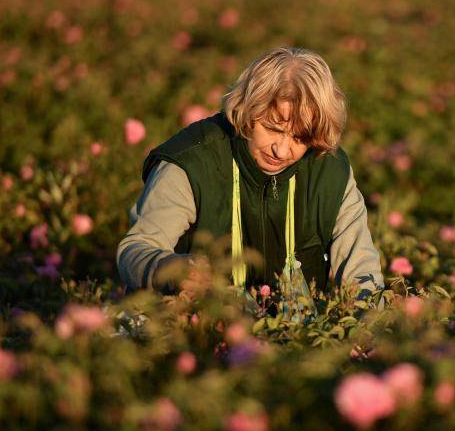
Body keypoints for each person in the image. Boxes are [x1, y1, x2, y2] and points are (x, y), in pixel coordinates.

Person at [116, 47, 384, 308]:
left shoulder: (330, 170)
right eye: (271, 128)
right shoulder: (191, 162)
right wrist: (171, 269)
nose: (281, 149)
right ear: (247, 110)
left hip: (294, 337)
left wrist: (367, 326)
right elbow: (136, 250)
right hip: (189, 330)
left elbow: (360, 270)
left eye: (300, 138)